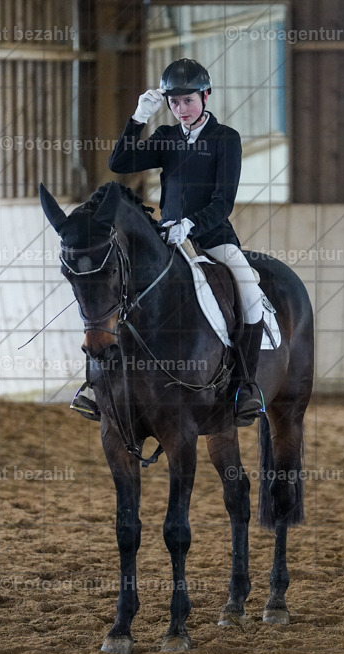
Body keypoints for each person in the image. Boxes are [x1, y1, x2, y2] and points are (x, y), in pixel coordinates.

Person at [70, 57, 266, 427]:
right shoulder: (166, 138)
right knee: (113, 293)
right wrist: (138, 119)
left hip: (211, 238)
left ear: (206, 96)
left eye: (188, 100)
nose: (181, 109)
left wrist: (191, 224)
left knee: (250, 293)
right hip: (167, 239)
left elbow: (223, 201)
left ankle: (245, 386)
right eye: (174, 103)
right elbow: (120, 161)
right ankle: (98, 387)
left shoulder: (226, 139)